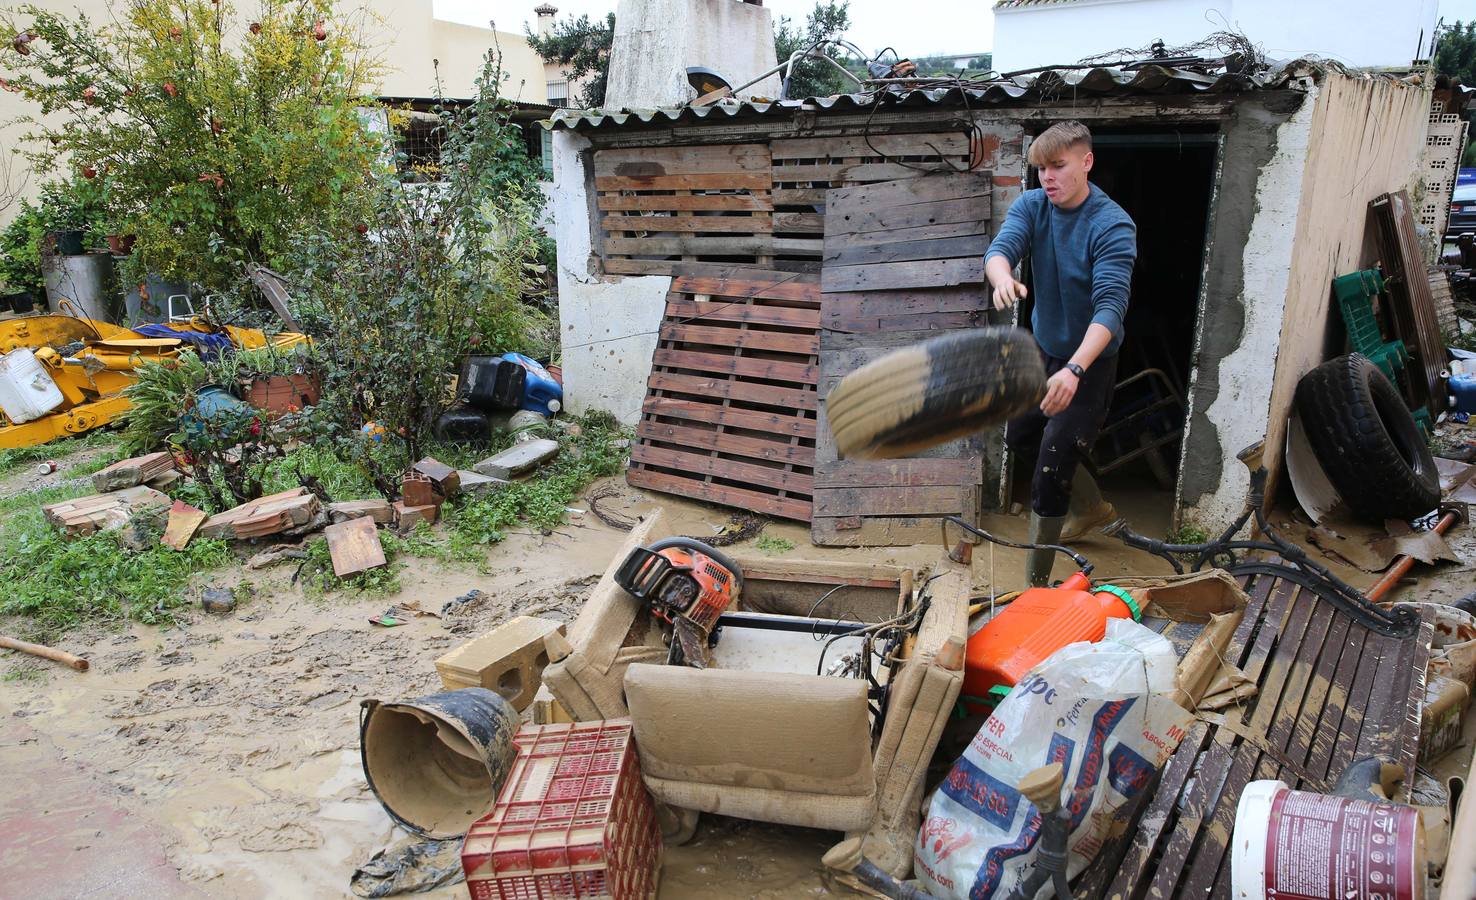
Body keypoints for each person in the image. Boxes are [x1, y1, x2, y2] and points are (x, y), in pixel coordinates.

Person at [983, 120, 1137, 586]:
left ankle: (1035, 586)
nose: (1047, 177)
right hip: (1046, 351)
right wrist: (1003, 277)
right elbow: (999, 249)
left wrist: (1074, 369)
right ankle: (1092, 507)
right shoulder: (1033, 206)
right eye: (1041, 168)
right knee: (1021, 437)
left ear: (1086, 162)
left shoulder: (1112, 225)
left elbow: (1110, 309)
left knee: (1052, 464)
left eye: (1057, 166)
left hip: (1089, 362)